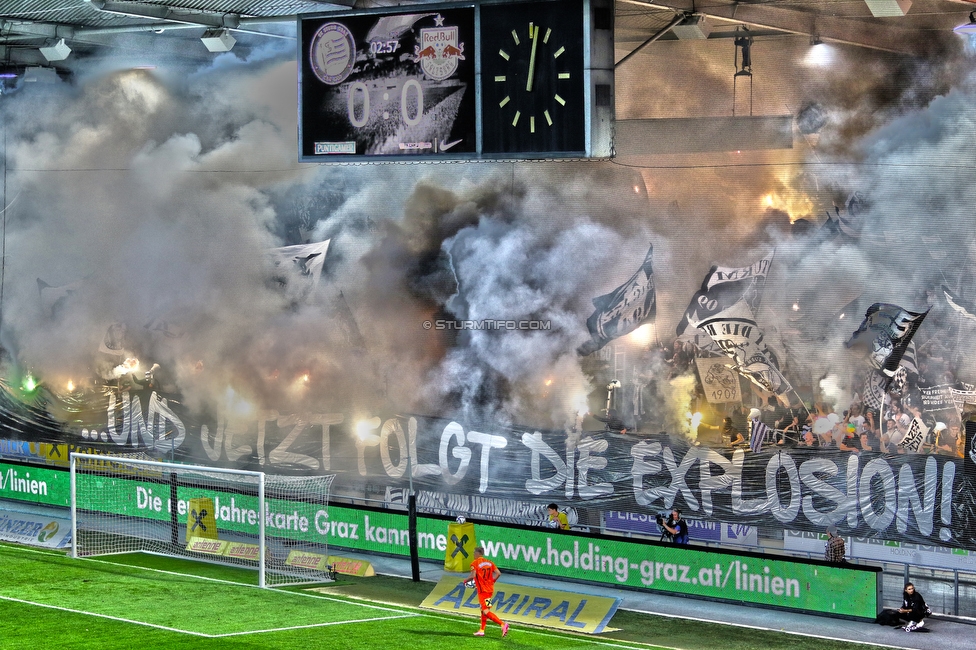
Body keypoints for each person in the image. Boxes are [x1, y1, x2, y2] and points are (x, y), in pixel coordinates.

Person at [466, 546, 510, 638]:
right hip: (490, 590)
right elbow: (498, 573)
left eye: (474, 553)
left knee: (485, 611)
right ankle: (482, 630)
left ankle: (502, 624)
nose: (474, 554)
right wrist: (493, 581)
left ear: (478, 553)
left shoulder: (474, 563)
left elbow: (473, 575)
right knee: (484, 609)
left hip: (483, 591)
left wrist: (465, 580)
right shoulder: (490, 562)